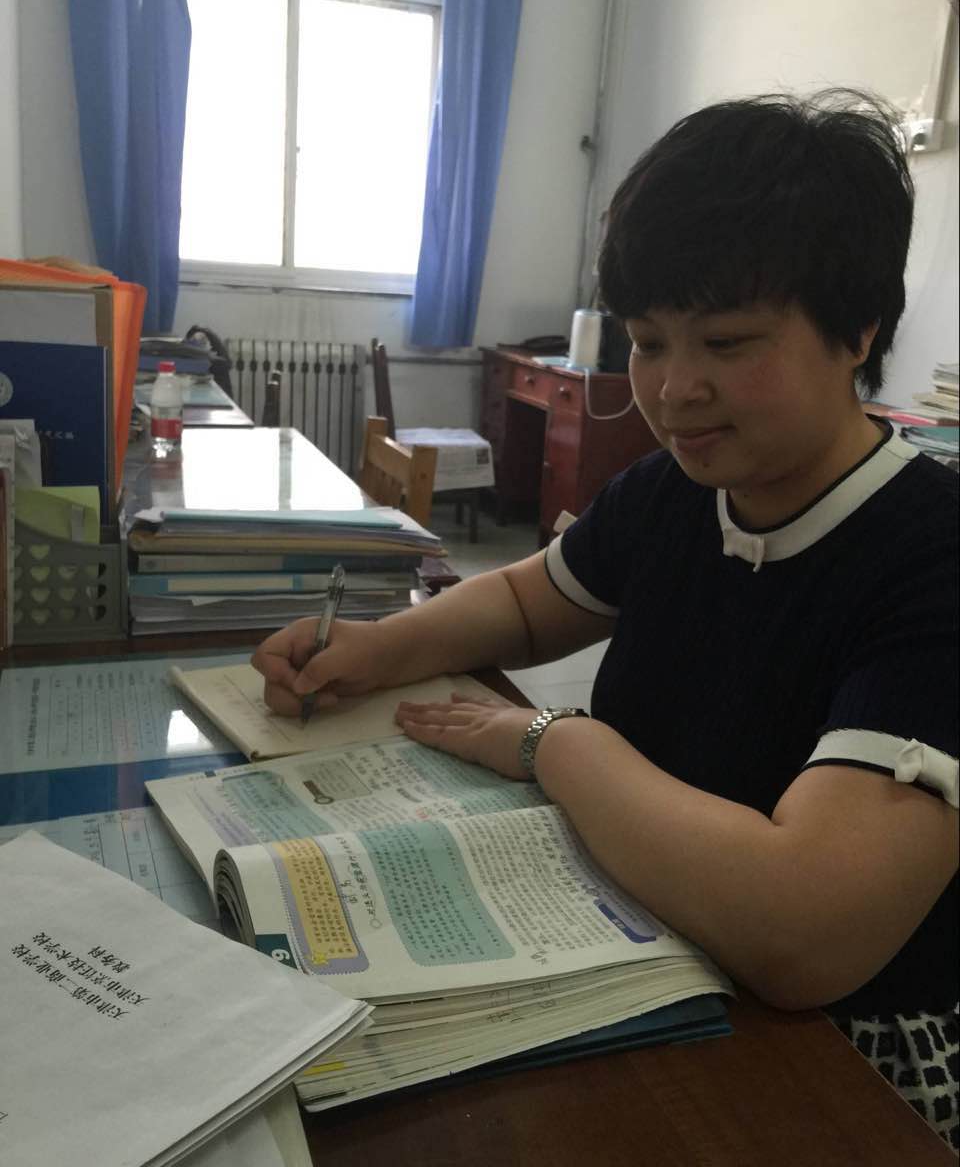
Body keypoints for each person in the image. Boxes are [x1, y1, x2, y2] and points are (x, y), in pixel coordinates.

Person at [252, 91, 959, 1148]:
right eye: (648, 340)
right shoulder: (675, 492)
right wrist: (373, 647)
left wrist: (555, 741)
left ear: (857, 330)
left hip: (842, 1051)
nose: (674, 390)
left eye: (727, 341)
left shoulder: (930, 554)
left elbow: (807, 930)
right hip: (643, 935)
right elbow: (528, 600)